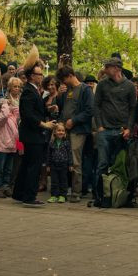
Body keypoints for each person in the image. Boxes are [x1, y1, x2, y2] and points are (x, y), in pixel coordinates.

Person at [12, 49, 56, 207]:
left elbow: (36, 110)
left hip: (31, 135)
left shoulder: (33, 91)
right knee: (33, 166)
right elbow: (28, 115)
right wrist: (44, 124)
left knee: (26, 165)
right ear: (32, 76)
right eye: (39, 74)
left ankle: (19, 193)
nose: (41, 76)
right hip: (32, 135)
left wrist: (47, 109)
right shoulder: (29, 92)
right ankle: (29, 197)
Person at [93, 57, 136, 207]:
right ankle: (100, 196)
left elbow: (132, 108)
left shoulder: (130, 86)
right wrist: (99, 126)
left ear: (117, 68)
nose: (105, 69)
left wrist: (129, 128)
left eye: (108, 66)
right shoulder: (102, 85)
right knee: (102, 164)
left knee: (122, 164)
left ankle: (121, 195)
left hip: (121, 131)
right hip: (105, 130)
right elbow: (96, 105)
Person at [56, 66, 93, 202]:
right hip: (65, 129)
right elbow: (63, 108)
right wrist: (59, 95)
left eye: (64, 79)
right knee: (63, 159)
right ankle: (63, 189)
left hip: (78, 130)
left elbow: (90, 110)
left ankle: (77, 191)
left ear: (71, 75)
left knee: (76, 161)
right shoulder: (67, 90)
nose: (64, 82)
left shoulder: (85, 90)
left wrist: (75, 120)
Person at [0, 77, 22, 198]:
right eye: (15, 86)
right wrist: (6, 108)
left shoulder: (21, 100)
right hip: (3, 138)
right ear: (9, 87)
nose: (17, 89)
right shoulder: (2, 101)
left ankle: (6, 186)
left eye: (19, 86)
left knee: (10, 167)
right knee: (0, 166)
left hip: (15, 138)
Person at [47, 123, 73, 203]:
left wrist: (70, 164)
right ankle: (54, 195)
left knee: (63, 181)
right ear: (54, 132)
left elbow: (70, 154)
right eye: (58, 130)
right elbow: (48, 154)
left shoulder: (67, 143)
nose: (61, 132)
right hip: (54, 165)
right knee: (54, 181)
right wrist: (48, 165)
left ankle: (63, 195)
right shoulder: (51, 143)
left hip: (64, 165)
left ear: (65, 133)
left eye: (62, 131)